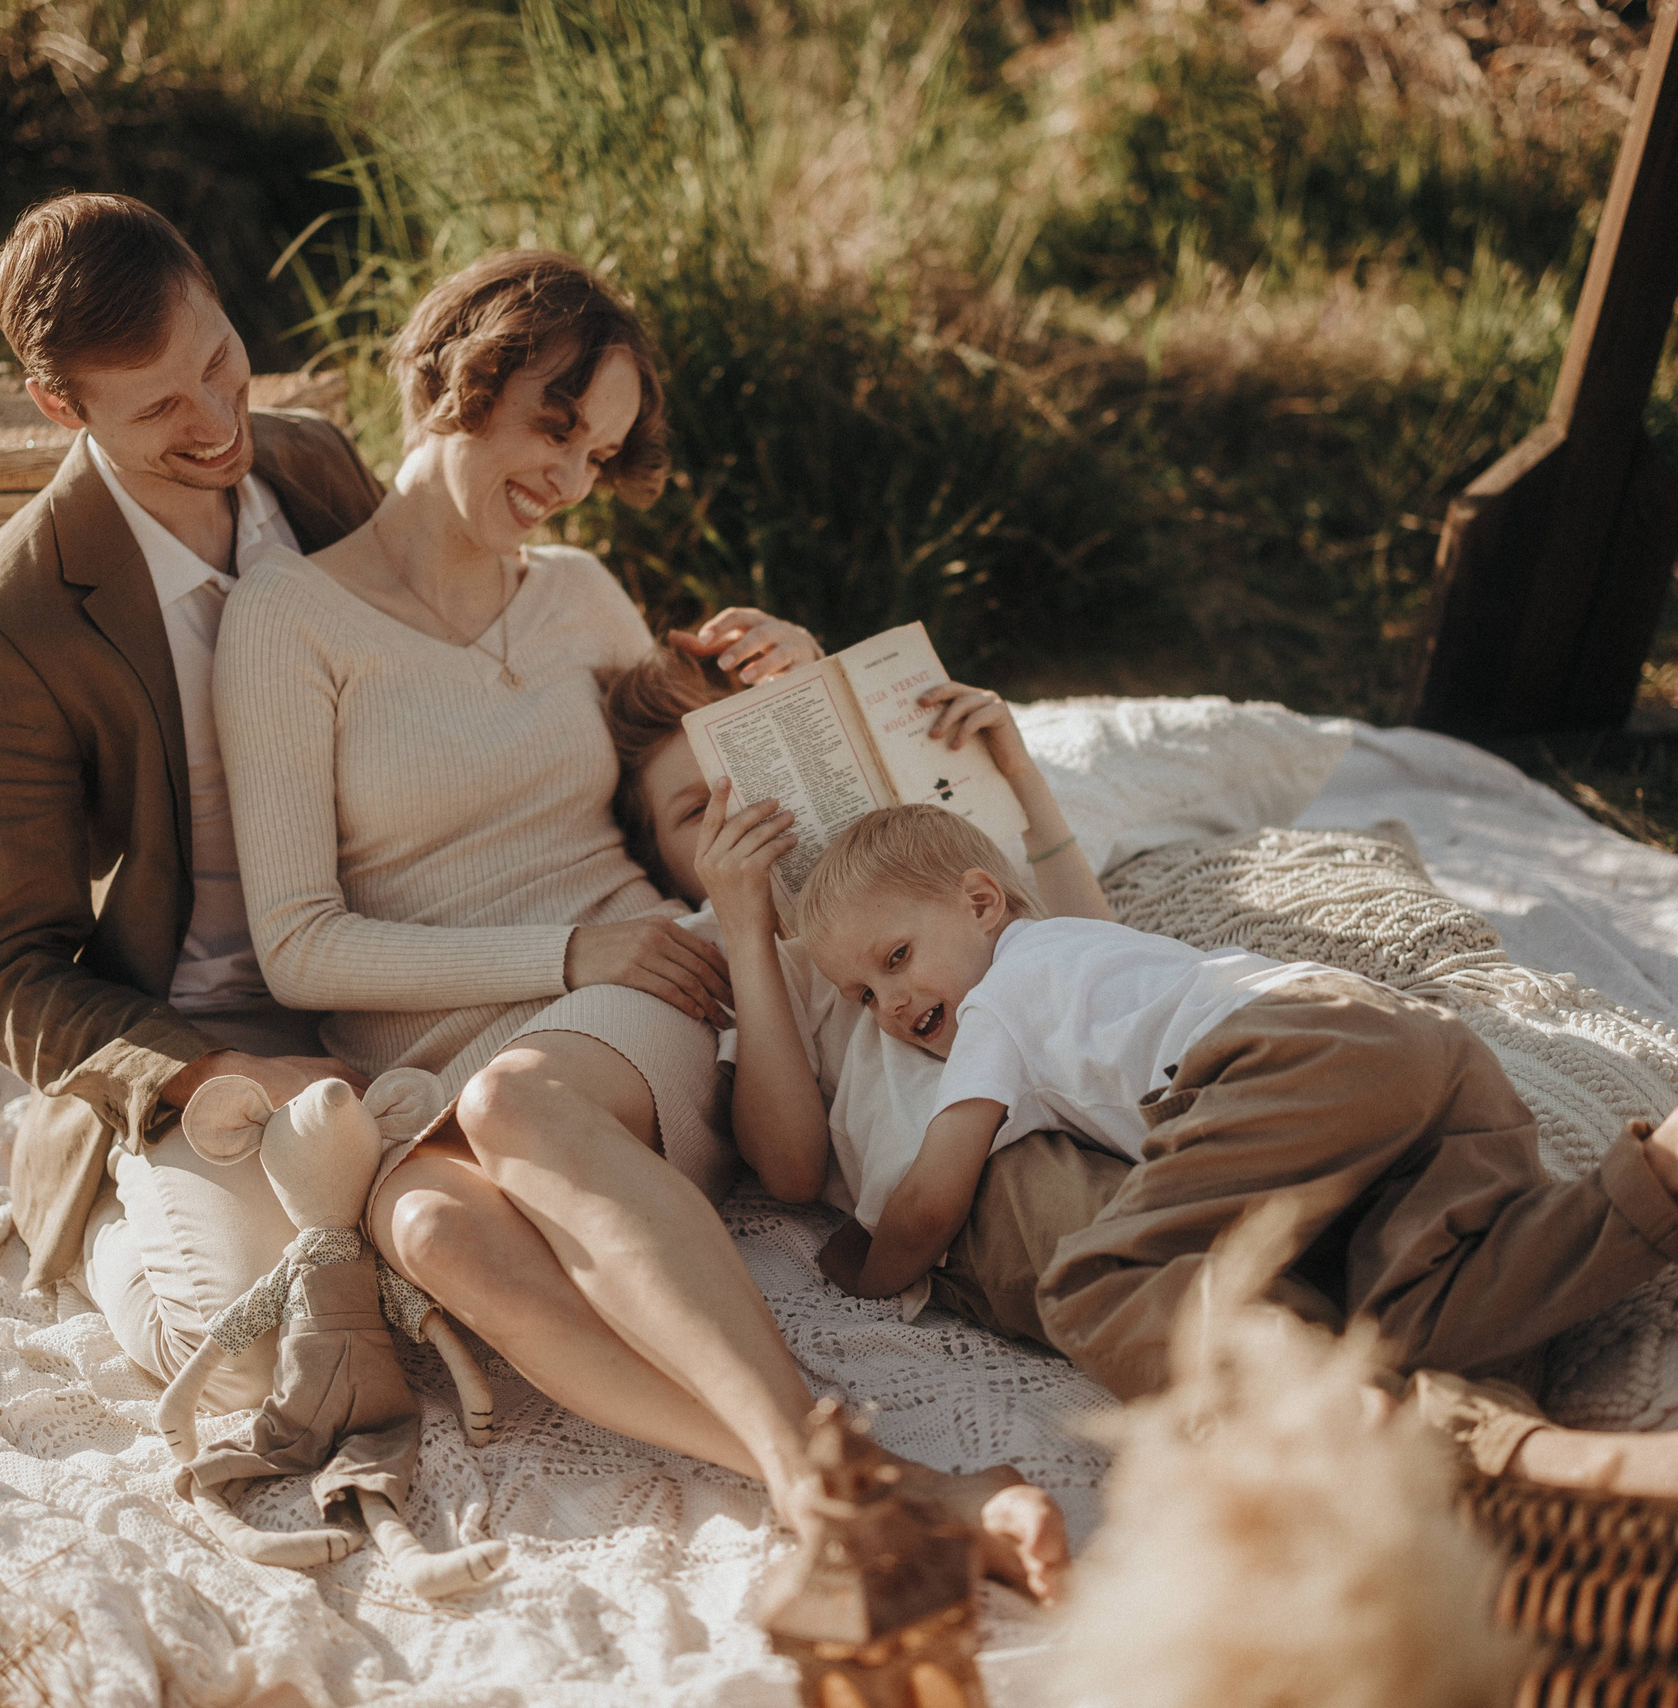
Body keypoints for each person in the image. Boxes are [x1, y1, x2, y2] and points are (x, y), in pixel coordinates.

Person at [210, 248, 1067, 1595]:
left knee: (524, 1103)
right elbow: (298, 946)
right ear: (456, 378)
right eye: (554, 424)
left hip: (641, 1003)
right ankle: (877, 1485)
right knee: (429, 1231)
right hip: (457, 1046)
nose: (567, 477)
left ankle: (816, 1484)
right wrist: (551, 955)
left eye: (597, 453)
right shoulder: (288, 622)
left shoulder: (584, 595)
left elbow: (710, 770)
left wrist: (793, 679)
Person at [610, 660, 1678, 1505]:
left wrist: (1020, 779)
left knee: (1128, 1287)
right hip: (1238, 1101)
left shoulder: (959, 938)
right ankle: (1634, 1213)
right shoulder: (761, 951)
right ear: (657, 853)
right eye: (691, 811)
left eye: (739, 780)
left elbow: (1050, 950)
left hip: (1227, 1085)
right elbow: (785, 1164)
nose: (738, 818)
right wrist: (741, 911)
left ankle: (1429, 1447)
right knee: (1386, 1277)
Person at [0, 192, 399, 1409]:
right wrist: (216, 1073)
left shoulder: (315, 464)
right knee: (245, 1359)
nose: (217, 421)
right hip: (201, 1036)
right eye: (159, 408)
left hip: (394, 969)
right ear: (57, 407)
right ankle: (94, 1207)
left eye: (220, 362)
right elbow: (12, 970)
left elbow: (452, 668)